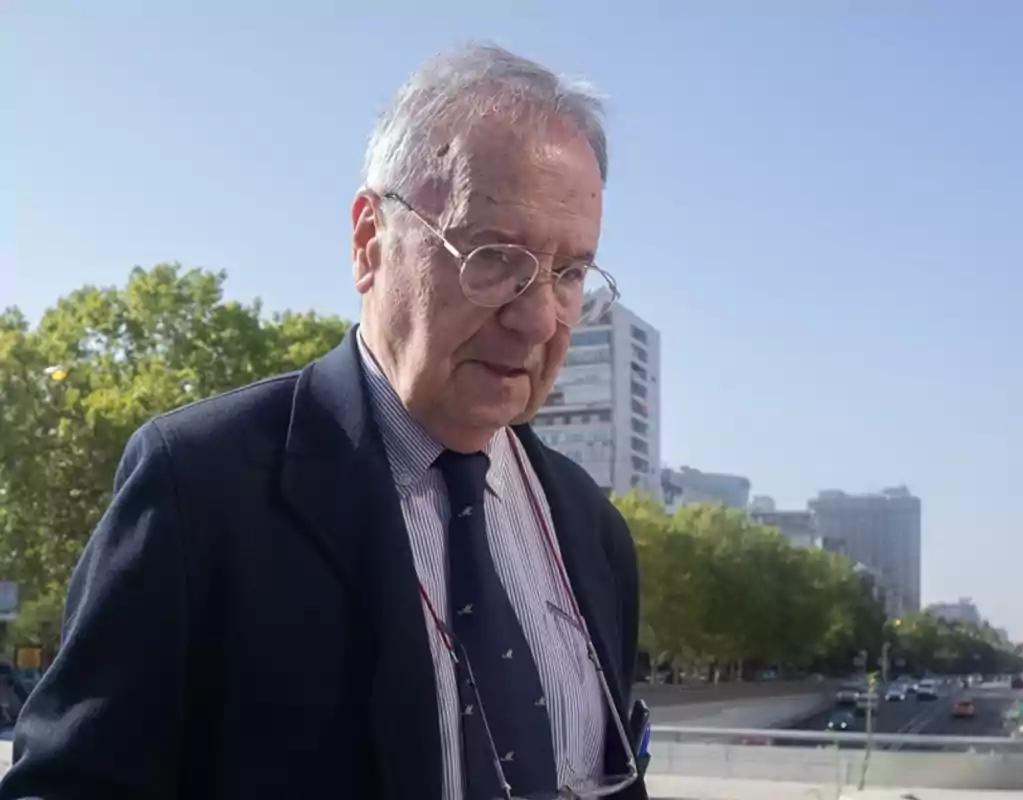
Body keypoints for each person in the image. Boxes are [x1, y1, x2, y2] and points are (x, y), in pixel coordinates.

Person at [0, 43, 646, 800]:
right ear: (370, 242)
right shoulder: (198, 486)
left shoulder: (592, 529)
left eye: (569, 274)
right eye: (494, 256)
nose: (538, 318)